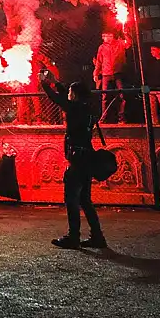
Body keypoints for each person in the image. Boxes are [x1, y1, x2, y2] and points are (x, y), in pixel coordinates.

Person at [41, 73, 106, 249]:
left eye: (70, 92)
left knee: (71, 199)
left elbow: (57, 99)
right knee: (85, 200)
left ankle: (73, 237)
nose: (68, 94)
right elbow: (65, 98)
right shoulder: (87, 108)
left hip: (77, 160)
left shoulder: (75, 109)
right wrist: (56, 82)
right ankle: (97, 237)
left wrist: (45, 84)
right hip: (87, 158)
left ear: (75, 94)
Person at [93, 32, 129, 123]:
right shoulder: (101, 47)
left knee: (121, 95)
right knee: (105, 96)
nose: (108, 38)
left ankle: (121, 117)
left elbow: (128, 43)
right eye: (106, 36)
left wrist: (126, 34)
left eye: (110, 36)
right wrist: (96, 73)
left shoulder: (119, 43)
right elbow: (99, 61)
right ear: (103, 37)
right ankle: (104, 118)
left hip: (117, 73)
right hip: (106, 74)